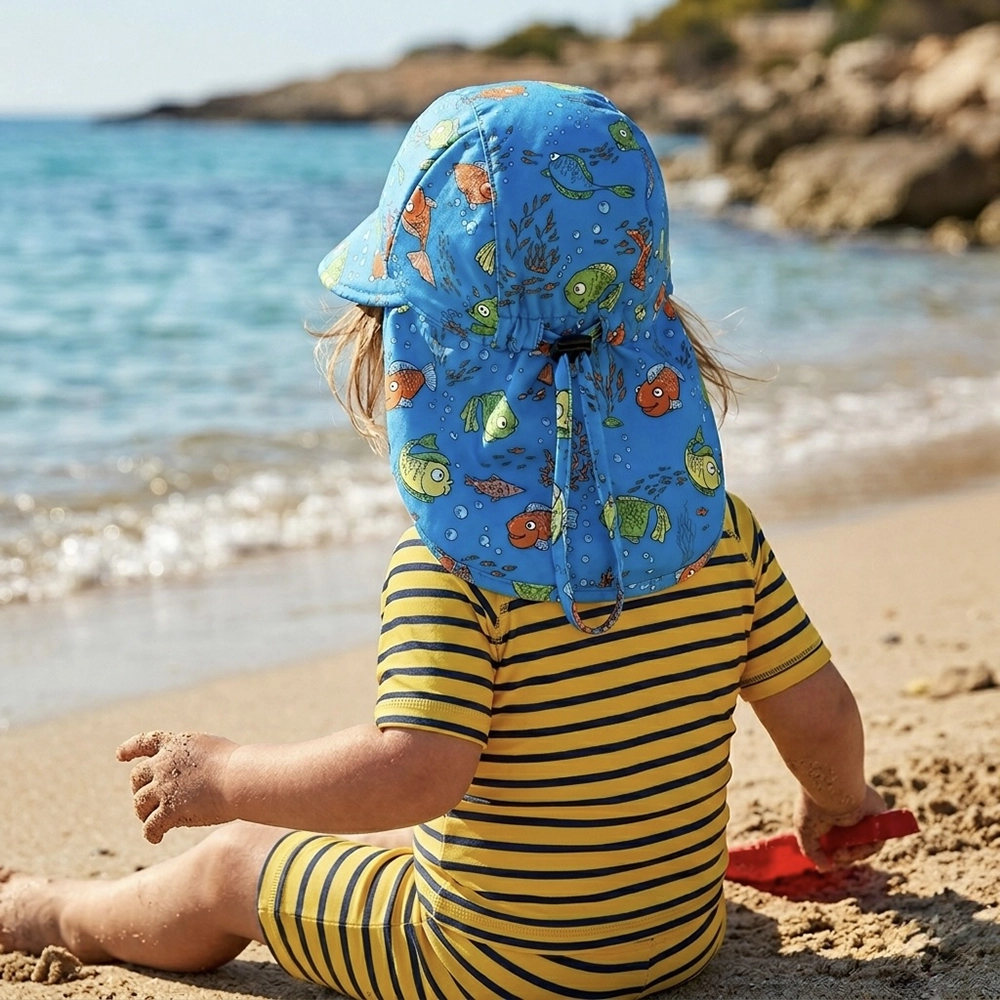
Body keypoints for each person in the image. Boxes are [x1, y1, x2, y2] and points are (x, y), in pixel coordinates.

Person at [0, 82, 886, 999]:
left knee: (233, 865)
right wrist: (840, 804)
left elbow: (415, 772)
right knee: (408, 840)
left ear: (418, 359)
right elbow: (821, 717)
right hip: (675, 939)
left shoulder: (455, 568)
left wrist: (225, 776)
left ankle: (63, 916)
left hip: (489, 964)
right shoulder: (716, 529)